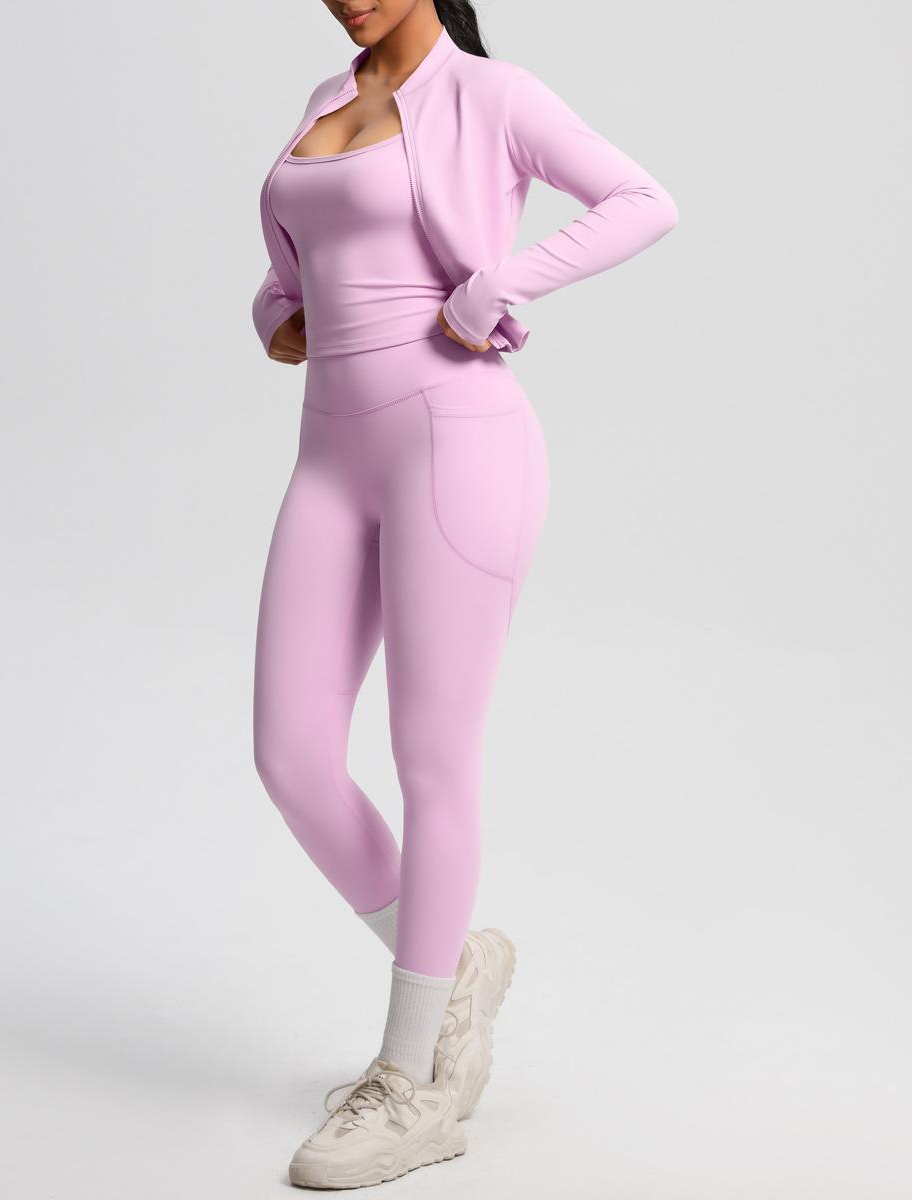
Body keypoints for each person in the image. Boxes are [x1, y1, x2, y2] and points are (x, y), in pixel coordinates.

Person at [250, 1, 677, 1187]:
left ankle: (415, 1083)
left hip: (458, 445)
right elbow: (299, 263)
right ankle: (454, 973)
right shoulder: (327, 100)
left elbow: (644, 198)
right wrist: (277, 309)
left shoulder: (494, 95)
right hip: (329, 458)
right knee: (290, 756)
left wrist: (502, 283)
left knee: (430, 759)